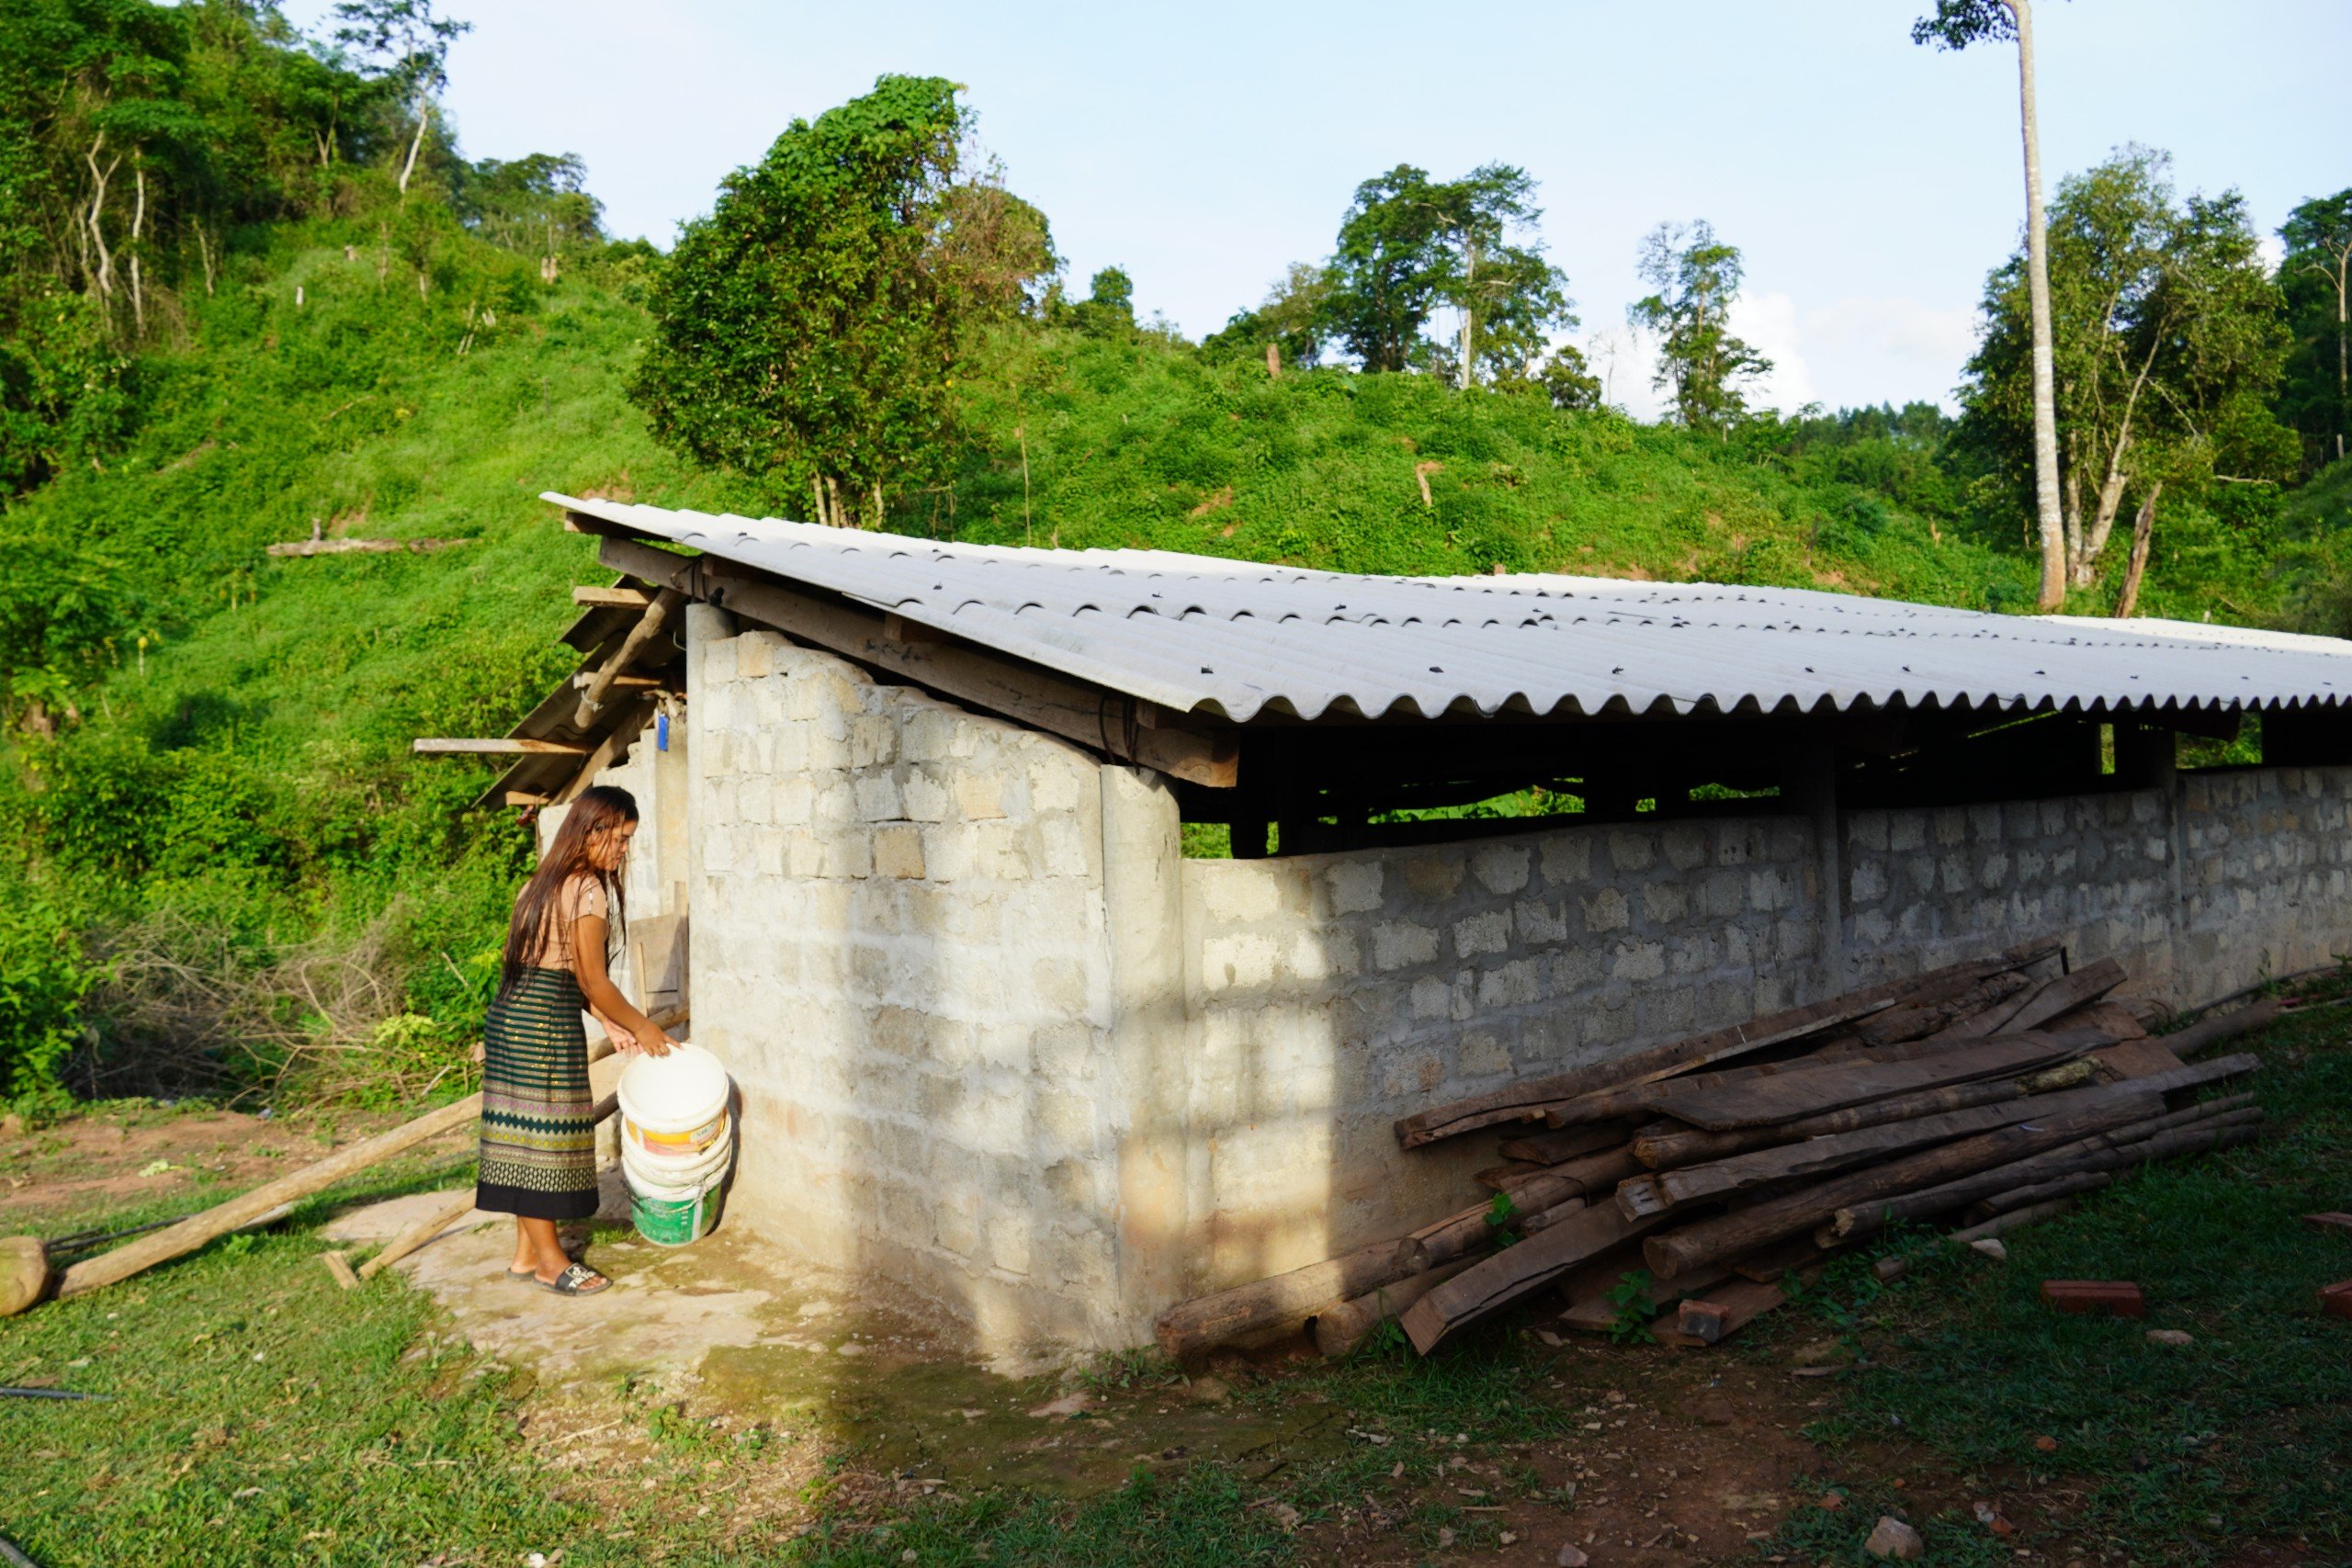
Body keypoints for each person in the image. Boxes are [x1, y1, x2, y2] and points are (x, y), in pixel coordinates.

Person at [479, 784, 674, 1295]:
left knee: (522, 1138)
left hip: (510, 1019)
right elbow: (592, 979)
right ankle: (551, 1262)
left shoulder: (540, 883)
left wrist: (605, 1020)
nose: (625, 850)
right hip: (542, 1027)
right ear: (594, 831)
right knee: (548, 1143)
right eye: (621, 838)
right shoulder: (587, 889)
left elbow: (547, 967)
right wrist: (642, 1025)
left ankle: (525, 1256)